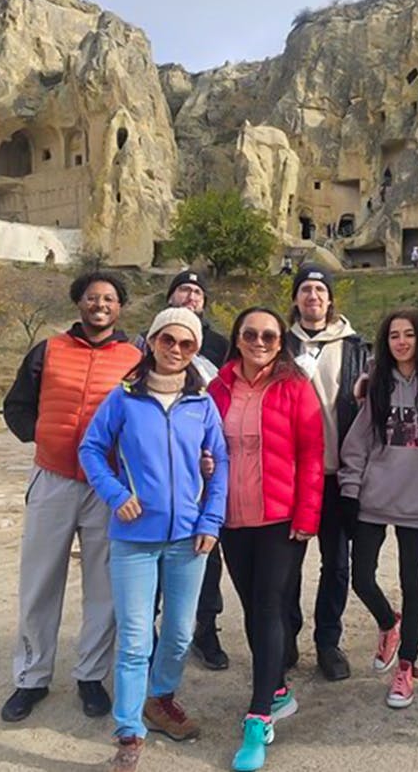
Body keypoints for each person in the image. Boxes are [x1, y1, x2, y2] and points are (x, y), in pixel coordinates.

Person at [79, 307, 230, 772]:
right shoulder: (124, 398)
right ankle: (129, 732)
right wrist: (114, 492)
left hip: (188, 537)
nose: (177, 351)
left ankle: (160, 699)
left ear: (195, 351)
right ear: (153, 342)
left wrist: (211, 521)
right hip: (134, 538)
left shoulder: (201, 404)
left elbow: (220, 463)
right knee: (135, 638)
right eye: (169, 341)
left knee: (181, 633)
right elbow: (90, 448)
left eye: (187, 345)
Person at [0, 271, 142, 723]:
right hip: (54, 477)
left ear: (120, 307)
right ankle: (31, 677)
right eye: (92, 297)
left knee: (104, 585)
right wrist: (40, 437)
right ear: (79, 302)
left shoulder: (134, 357)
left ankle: (90, 676)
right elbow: (17, 405)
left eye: (109, 299)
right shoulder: (48, 350)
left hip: (107, 485)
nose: (100, 305)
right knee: (40, 580)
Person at [208, 307, 324, 772]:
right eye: (251, 333)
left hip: (281, 518)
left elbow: (313, 454)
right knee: (253, 609)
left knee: (270, 605)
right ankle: (276, 688)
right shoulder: (217, 387)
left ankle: (259, 717)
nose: (260, 341)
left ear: (281, 343)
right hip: (232, 518)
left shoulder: (295, 386)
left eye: (270, 336)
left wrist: (308, 515)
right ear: (237, 338)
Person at [337, 309, 418, 709]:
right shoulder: (377, 383)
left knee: (412, 581)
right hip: (373, 497)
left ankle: (407, 664)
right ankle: (390, 622)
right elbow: (359, 441)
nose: (401, 342)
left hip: (416, 501)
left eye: (408, 335)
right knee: (362, 578)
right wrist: (350, 491)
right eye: (393, 336)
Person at [136, 271, 233, 670]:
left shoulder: (221, 345)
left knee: (206, 552)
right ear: (170, 296)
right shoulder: (147, 341)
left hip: (203, 463)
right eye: (184, 289)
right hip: (153, 469)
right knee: (151, 555)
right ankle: (151, 636)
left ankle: (205, 631)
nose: (190, 295)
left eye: (197, 291)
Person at [284, 265, 369, 681]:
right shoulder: (278, 344)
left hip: (337, 472)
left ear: (330, 298)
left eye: (320, 289)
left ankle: (327, 642)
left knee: (336, 564)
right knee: (285, 562)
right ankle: (285, 637)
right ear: (296, 299)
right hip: (292, 474)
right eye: (305, 289)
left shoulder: (356, 346)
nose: (313, 296)